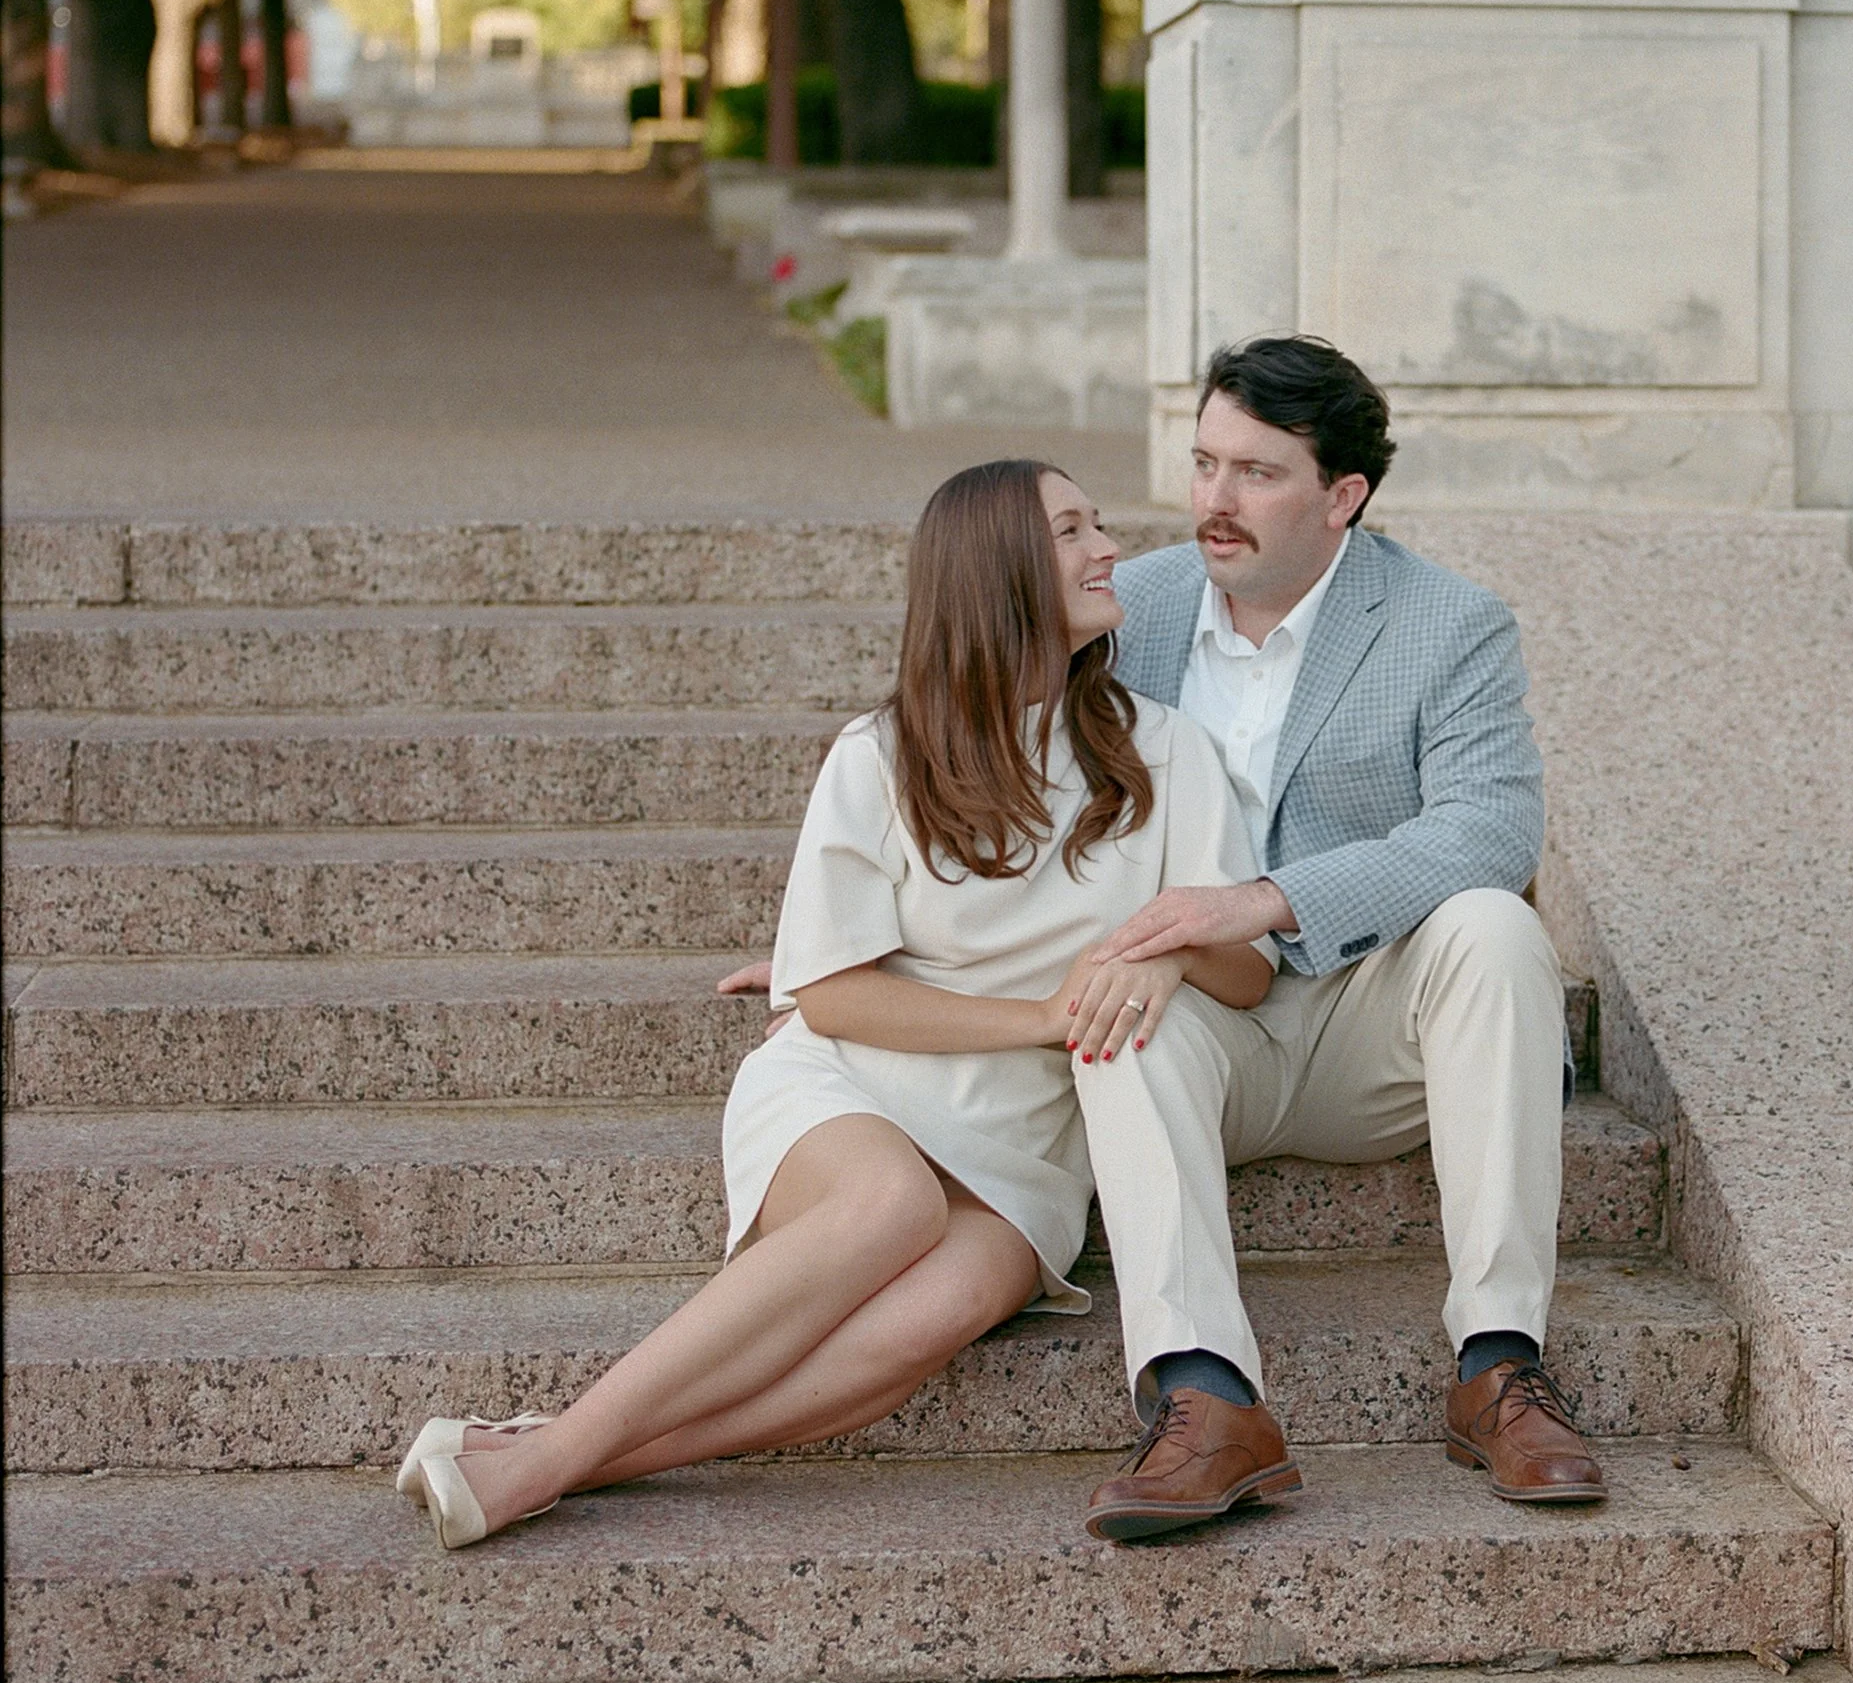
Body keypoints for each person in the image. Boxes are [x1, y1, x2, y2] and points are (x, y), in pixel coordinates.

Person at [395, 459, 1289, 1553]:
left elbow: (1248, 974)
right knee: (889, 1208)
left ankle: (555, 1451)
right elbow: (825, 989)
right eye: (1071, 529)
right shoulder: (882, 755)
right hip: (860, 1085)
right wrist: (1044, 1015)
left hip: (1032, 1143)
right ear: (996, 569)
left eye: (1096, 522)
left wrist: (1162, 952)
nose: (1109, 546)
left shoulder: (1162, 750)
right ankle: (544, 1456)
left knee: (945, 1306)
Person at [1068, 335, 1605, 1537]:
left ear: (1342, 495)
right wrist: (861, 940)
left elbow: (1489, 831)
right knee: (1120, 995)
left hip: (1378, 1028)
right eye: (1205, 462)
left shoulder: (1446, 621)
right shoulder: (1132, 608)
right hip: (1207, 1027)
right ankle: (1206, 1400)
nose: (1213, 499)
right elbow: (975, 733)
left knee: (1493, 928)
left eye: (1256, 473)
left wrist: (1260, 897)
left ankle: (1499, 1364)